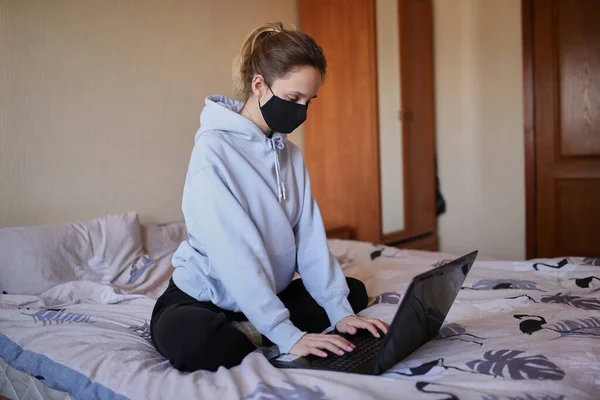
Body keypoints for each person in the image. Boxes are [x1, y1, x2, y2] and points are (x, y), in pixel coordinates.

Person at [150, 22, 388, 372]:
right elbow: (235, 253)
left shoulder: (289, 155)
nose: (302, 111)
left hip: (265, 295)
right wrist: (285, 333)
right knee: (194, 341)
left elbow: (309, 238)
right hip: (206, 297)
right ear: (258, 84)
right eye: (294, 98)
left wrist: (338, 312)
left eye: (310, 101)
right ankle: (260, 329)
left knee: (348, 294)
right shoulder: (213, 151)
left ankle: (251, 329)